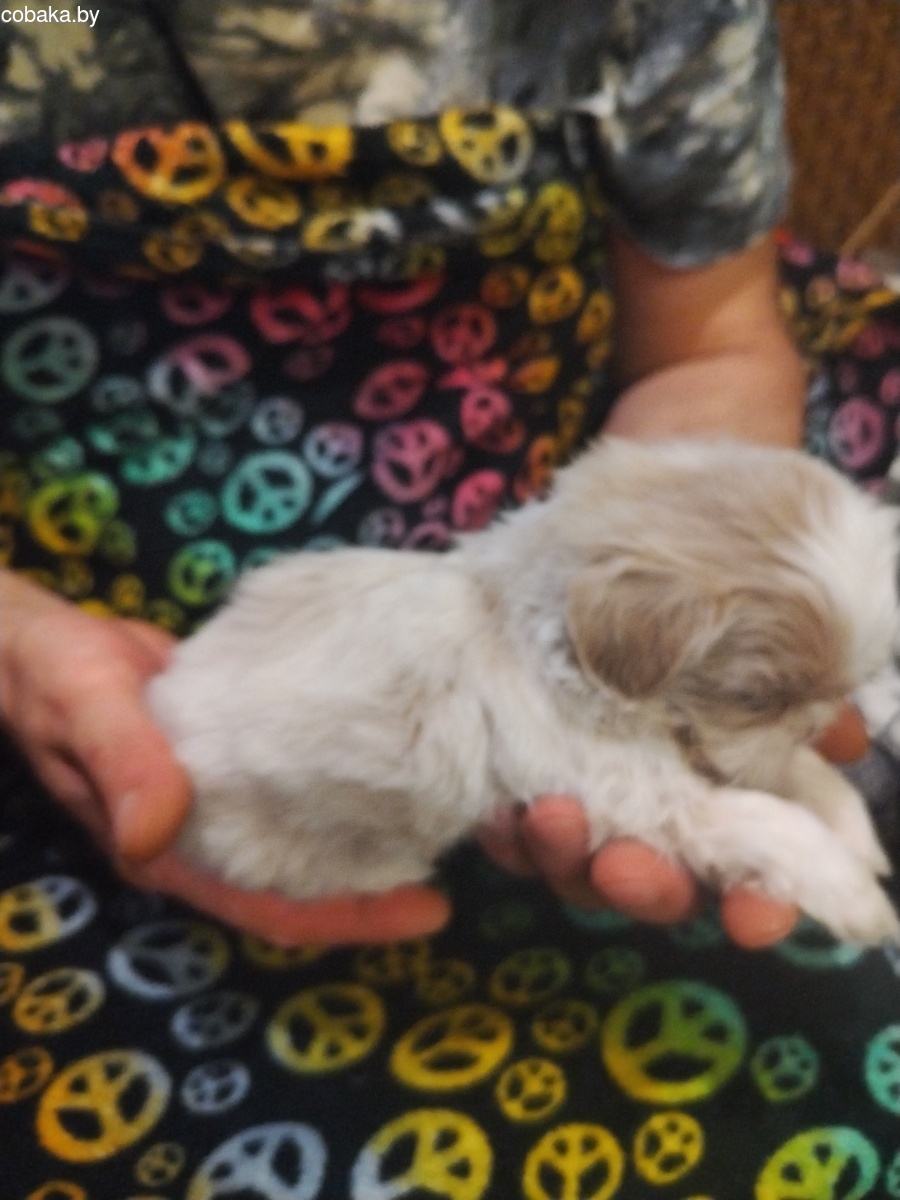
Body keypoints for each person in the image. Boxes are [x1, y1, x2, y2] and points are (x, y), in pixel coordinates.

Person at [0, 2, 896, 1196]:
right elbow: (654, 786)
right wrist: (20, 641)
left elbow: (712, 346)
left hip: (551, 516)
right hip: (96, 677)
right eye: (779, 693)